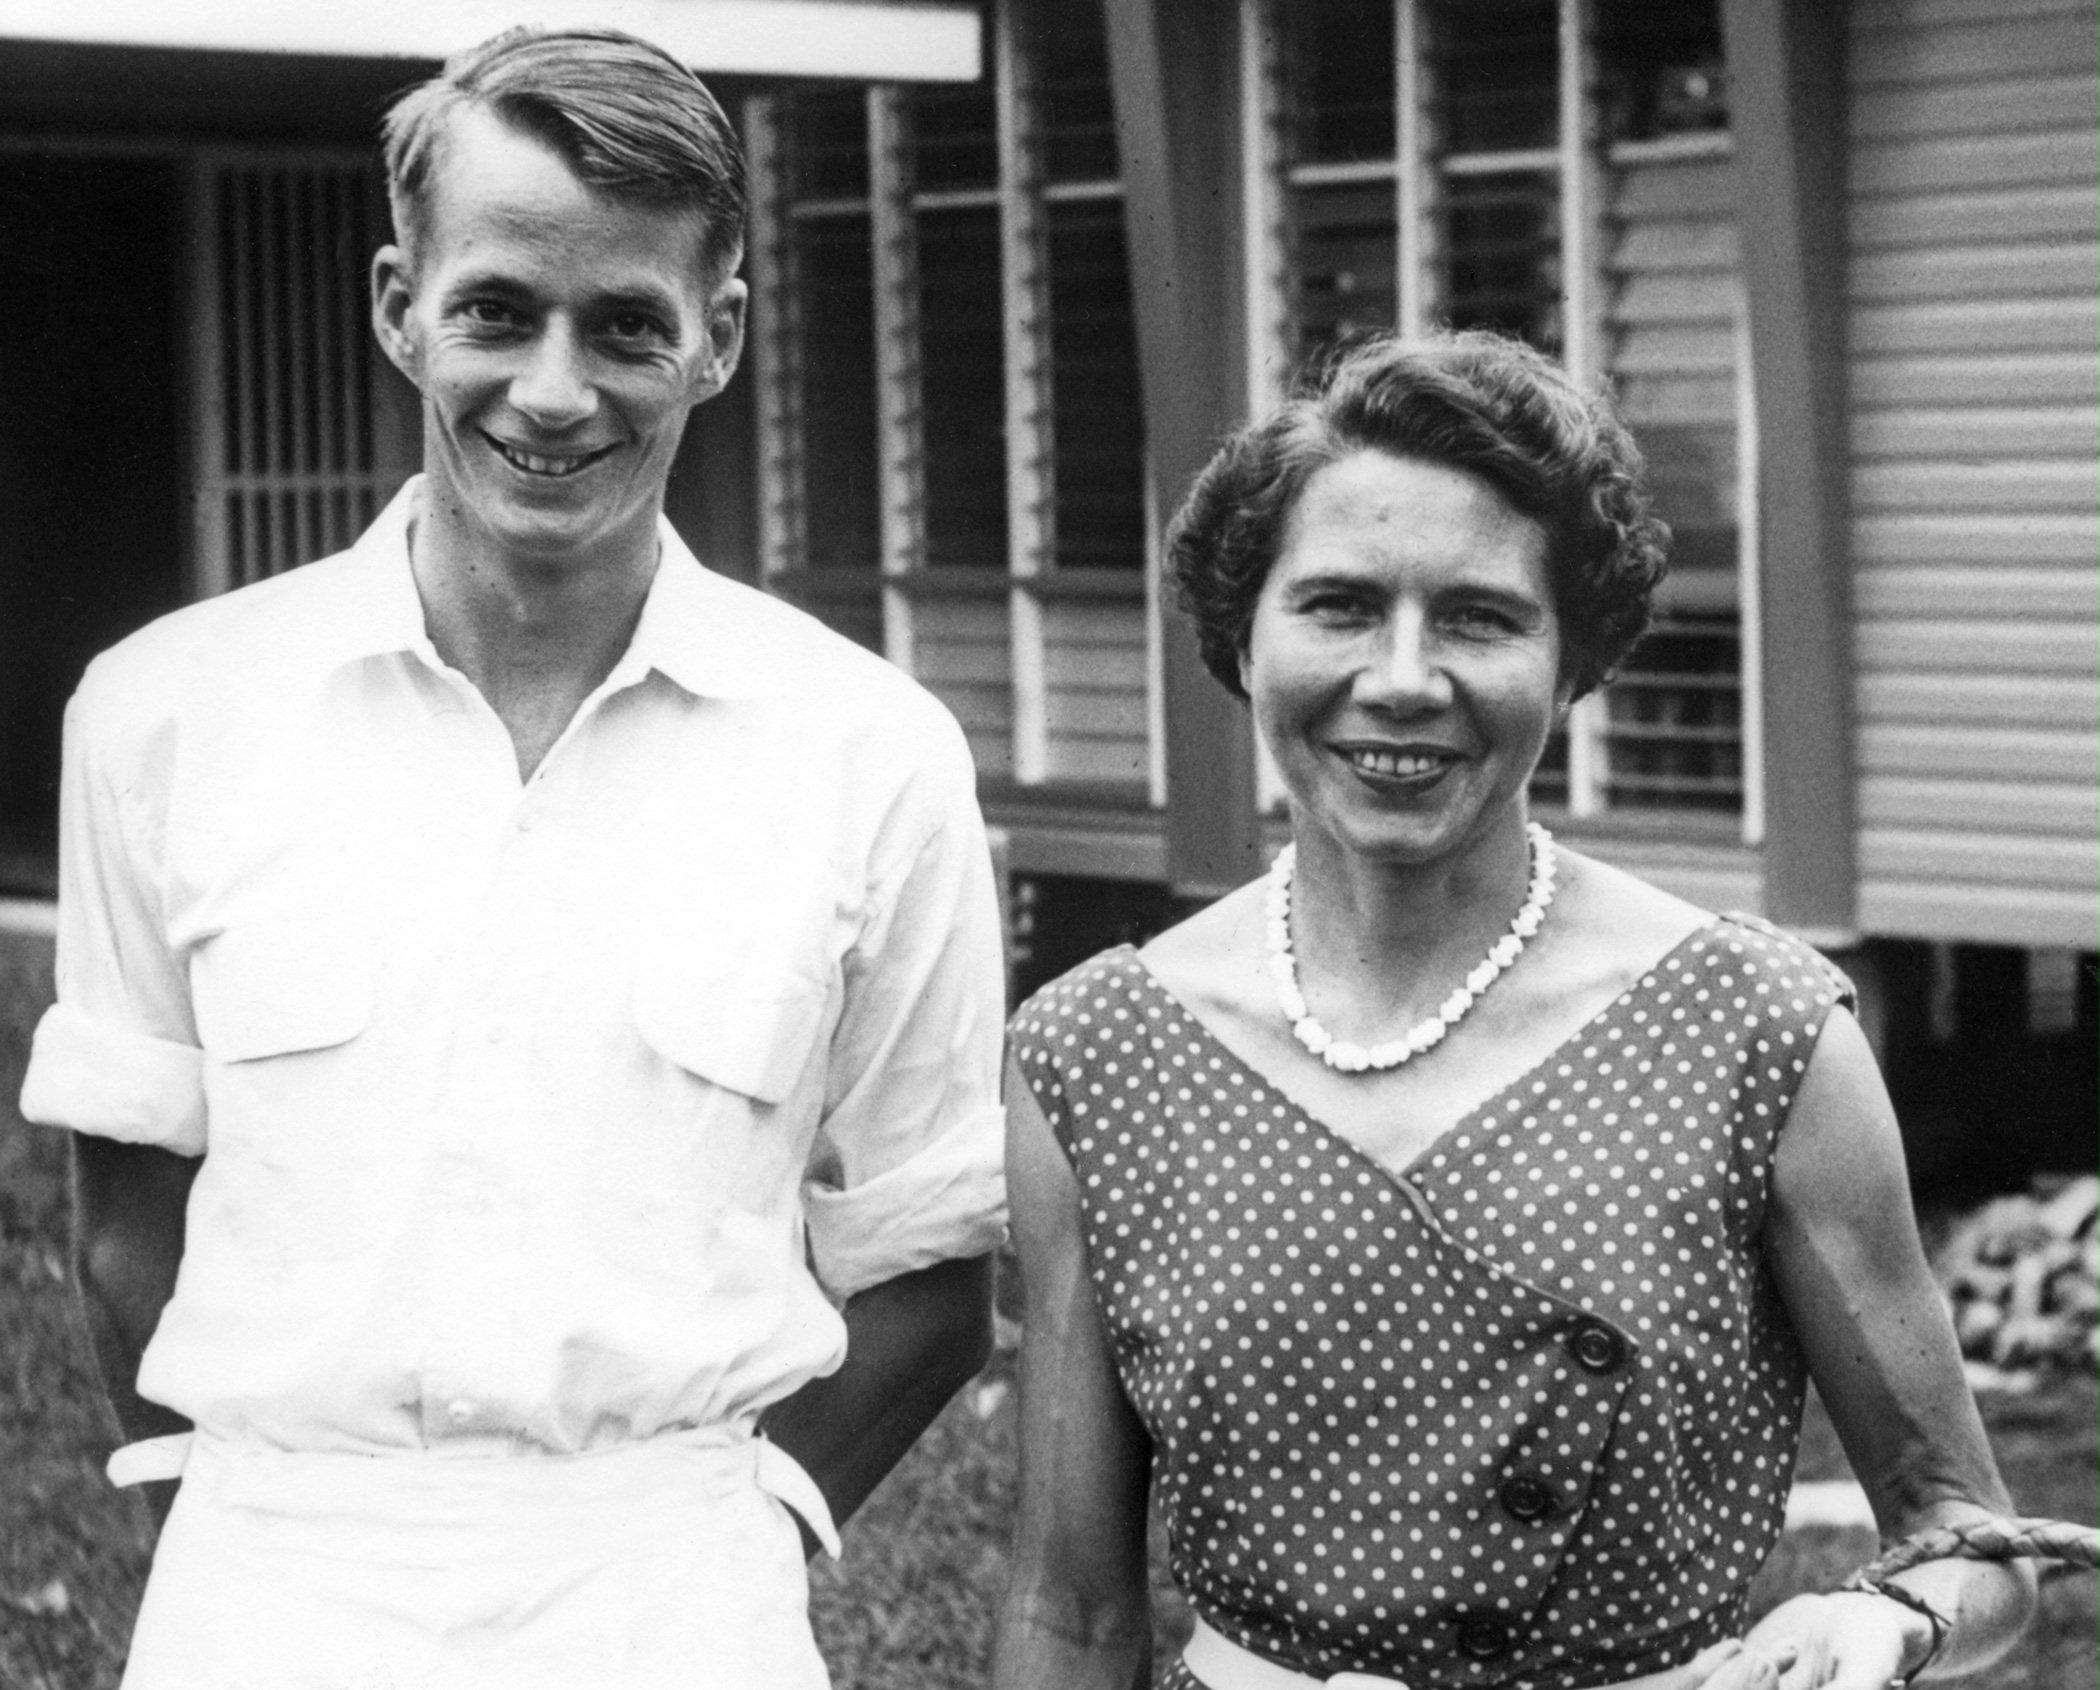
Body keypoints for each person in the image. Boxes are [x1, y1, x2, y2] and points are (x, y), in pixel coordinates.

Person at [20, 28, 1006, 1690]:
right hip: (270, 1581)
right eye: (496, 310)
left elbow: (932, 1264)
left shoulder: (869, 749)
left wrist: (749, 1525)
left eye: (627, 323)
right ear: (402, 304)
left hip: (671, 1587)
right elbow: (125, 1229)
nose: (554, 390)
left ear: (721, 339)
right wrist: (258, 1513)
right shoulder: (167, 712)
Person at [994, 331, 2035, 1690]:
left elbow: (1970, 1538)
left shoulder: (1756, 1032)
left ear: (1572, 656)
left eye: (1481, 617)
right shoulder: (1096, 1055)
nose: (1406, 677)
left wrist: (1891, 1618)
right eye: (1341, 605)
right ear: (1242, 636)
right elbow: (1070, 1608)